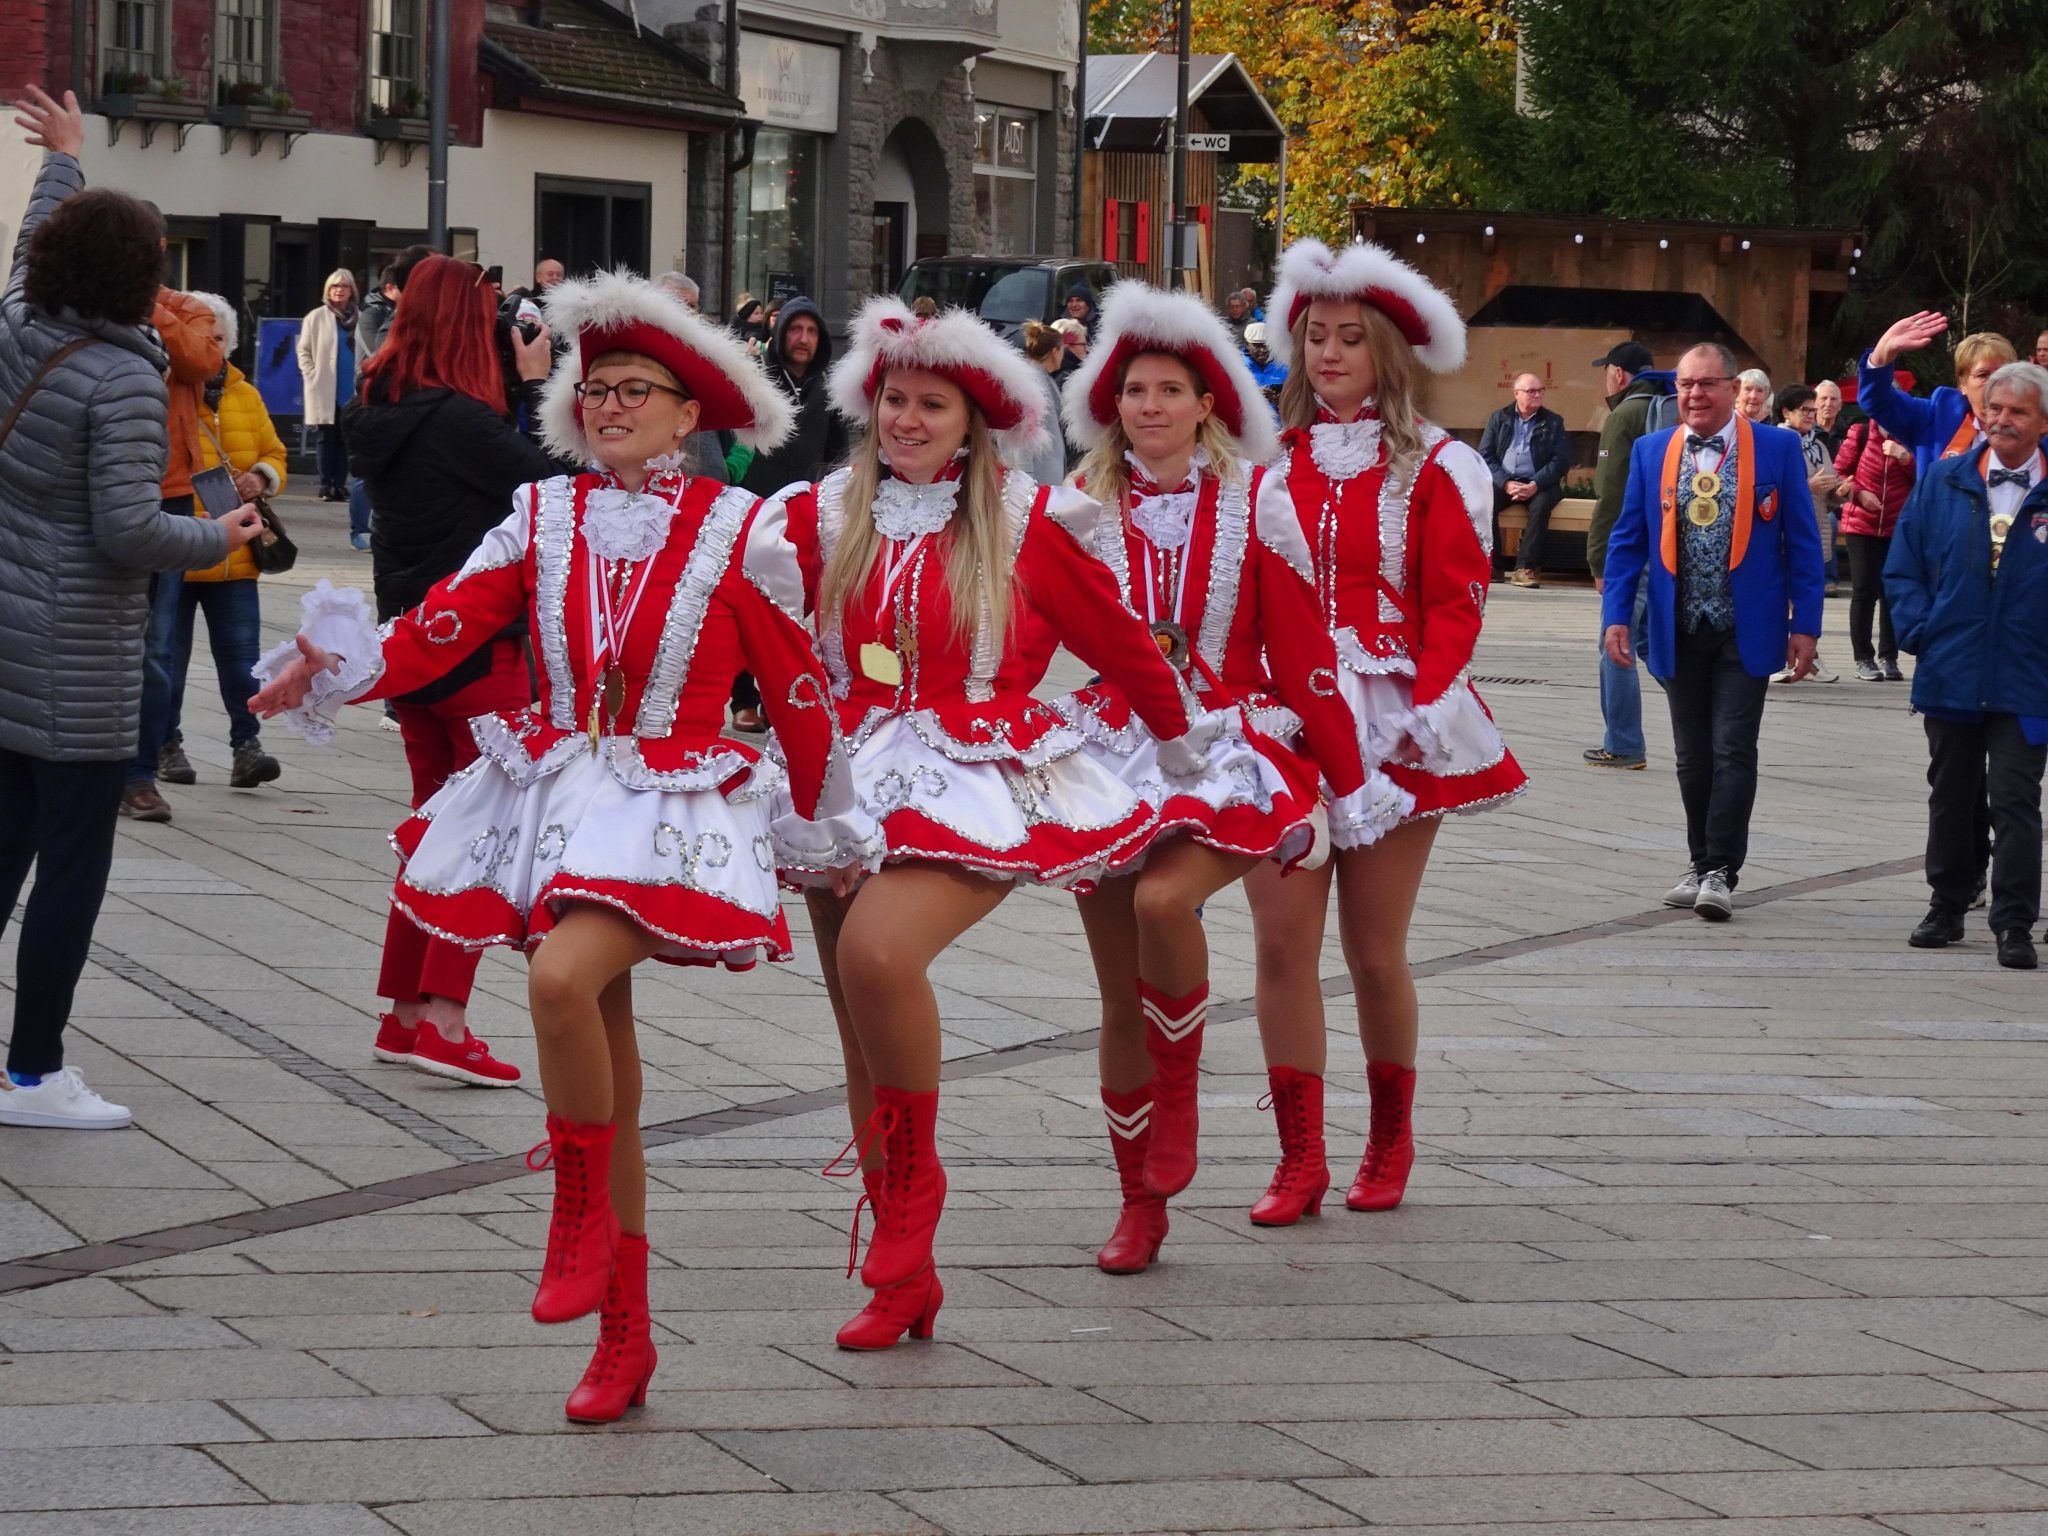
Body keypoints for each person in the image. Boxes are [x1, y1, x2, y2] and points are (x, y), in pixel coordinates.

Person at [252, 270, 873, 1421]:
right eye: (597, 388)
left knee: (558, 981)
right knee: (602, 1051)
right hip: (557, 794)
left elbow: (791, 684)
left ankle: (576, 1210)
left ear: (692, 416)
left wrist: (826, 824)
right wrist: (336, 665)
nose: (610, 404)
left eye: (638, 389)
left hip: (670, 798)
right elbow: (446, 622)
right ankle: (624, 1334)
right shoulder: (542, 515)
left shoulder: (739, 529)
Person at [771, 297, 1216, 1350]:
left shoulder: (1027, 519)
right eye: (893, 400)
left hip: (973, 775)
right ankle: (902, 1276)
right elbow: (753, 637)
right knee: (855, 1026)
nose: (907, 421)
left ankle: (917, 1199)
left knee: (882, 958)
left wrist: (1185, 754)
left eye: (932, 403)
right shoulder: (818, 512)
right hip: (846, 780)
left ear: (973, 421)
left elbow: (1121, 643)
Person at [1054, 282, 1381, 1264]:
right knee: (1117, 996)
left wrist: (1341, 778)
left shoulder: (1258, 504)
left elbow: (1301, 654)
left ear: (1207, 404)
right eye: (1132, 392)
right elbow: (1025, 638)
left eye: (1168, 390)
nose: (1147, 407)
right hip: (1111, 750)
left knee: (1165, 906)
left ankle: (1184, 1089)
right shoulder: (1075, 511)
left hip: (1230, 744)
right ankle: (1138, 1204)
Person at [1246, 239, 1527, 1219]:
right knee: (1280, 948)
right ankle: (1296, 1158)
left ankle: (1389, 1139)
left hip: (1393, 721)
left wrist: (1431, 708)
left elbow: (1455, 601)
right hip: (1282, 723)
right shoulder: (1258, 465)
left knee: (1372, 951)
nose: (1326, 354)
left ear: (1384, 352)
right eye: (1313, 337)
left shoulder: (1438, 466)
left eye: (1346, 339)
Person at [0, 87, 263, 1130]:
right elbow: (126, 530)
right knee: (70, 869)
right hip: (72, 657)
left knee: (2, 850)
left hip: (9, 634)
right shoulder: (116, 377)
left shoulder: (22, 317)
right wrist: (223, 535)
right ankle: (33, 1071)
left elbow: (30, 239)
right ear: (137, 281)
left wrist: (65, 156)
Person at [342, 255, 562, 1085]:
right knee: (481, 835)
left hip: (415, 651)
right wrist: (540, 389)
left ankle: (402, 1013)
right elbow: (556, 494)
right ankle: (444, 1018)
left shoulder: (387, 406)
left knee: (431, 829)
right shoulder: (465, 424)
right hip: (479, 653)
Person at [1601, 343, 1825, 919]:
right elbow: (1628, 539)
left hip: (1746, 626)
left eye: (1706, 384)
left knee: (1732, 748)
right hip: (1679, 626)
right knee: (1690, 755)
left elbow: (1801, 540)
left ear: (1733, 389)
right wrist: (1616, 615)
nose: (1694, 395)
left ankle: (1722, 869)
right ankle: (1699, 863)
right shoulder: (1653, 451)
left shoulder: (1776, 447)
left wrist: (1808, 625)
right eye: (1685, 386)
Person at [1886, 361, 2048, 969]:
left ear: (2043, 422)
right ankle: (1948, 904)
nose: (2002, 420)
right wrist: (1922, 630)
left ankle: (2013, 922)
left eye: (2018, 411)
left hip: (2028, 677)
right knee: (1951, 794)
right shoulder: (1944, 481)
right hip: (1951, 667)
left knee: (2014, 799)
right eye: (1996, 408)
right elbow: (1904, 564)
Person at [154, 291, 287, 794]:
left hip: (235, 556)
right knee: (165, 657)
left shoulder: (245, 394)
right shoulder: (167, 390)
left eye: (217, 339)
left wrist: (262, 475)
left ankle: (246, 746)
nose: (211, 346)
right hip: (180, 548)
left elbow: (274, 450)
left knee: (240, 657)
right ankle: (167, 744)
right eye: (202, 338)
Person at [120, 281, 231, 824]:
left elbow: (201, 362)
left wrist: (151, 304)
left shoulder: (186, 310)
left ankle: (139, 773)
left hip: (169, 491)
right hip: (102, 480)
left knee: (156, 647)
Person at [736, 296, 846, 730]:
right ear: (781, 334)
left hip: (809, 513)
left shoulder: (831, 389)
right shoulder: (757, 378)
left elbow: (838, 452)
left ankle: (779, 699)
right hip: (755, 506)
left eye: (812, 331)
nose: (803, 339)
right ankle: (742, 698)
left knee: (795, 610)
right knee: (748, 603)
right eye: (796, 330)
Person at [1585, 340, 1670, 771]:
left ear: (1618, 373)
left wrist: (1600, 561)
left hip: (1632, 551)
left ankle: (1623, 743)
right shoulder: (1671, 410)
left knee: (1614, 642)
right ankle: (1705, 716)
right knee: (1649, 642)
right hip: (1670, 547)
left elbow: (1611, 495)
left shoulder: (1624, 415)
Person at [1860, 314, 2016, 475]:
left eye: (2003, 373)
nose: (1994, 382)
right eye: (1983, 375)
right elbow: (1877, 400)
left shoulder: (2032, 423)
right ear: (1963, 384)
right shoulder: (1936, 416)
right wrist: (1883, 353)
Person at [1770, 384, 1841, 683]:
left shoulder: (1817, 444)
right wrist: (1808, 487)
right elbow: (1771, 489)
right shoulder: (1777, 441)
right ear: (1786, 411)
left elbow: (1830, 489)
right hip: (1785, 532)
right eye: (1806, 410)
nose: (1813, 415)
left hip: (1816, 527)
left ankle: (1807, 656)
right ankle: (1782, 657)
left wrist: (1842, 491)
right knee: (1784, 597)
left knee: (1804, 594)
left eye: (1814, 410)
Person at [1834, 414, 1913, 682]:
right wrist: (1858, 493)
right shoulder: (1861, 432)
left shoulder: (1908, 433)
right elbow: (1838, 473)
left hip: (1896, 525)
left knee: (1891, 591)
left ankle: (1889, 657)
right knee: (1864, 590)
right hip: (1861, 524)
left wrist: (1904, 457)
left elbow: (1924, 475)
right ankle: (1863, 658)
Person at [1477, 372, 1571, 589]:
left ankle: (1524, 568)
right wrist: (1506, 483)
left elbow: (1561, 460)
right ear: (1516, 394)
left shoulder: (1553, 421)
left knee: (1542, 505)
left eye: (1540, 391)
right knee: (1484, 500)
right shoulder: (1499, 418)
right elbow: (1486, 456)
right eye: (1531, 391)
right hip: (1505, 481)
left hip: (1538, 483)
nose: (1537, 395)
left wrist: (1535, 484)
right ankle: (1494, 565)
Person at [297, 268, 361, 505]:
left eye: (343, 286)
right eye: (334, 286)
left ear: (351, 290)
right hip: (324, 386)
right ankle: (325, 484)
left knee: (346, 439)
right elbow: (303, 350)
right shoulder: (316, 316)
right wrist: (310, 374)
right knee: (326, 437)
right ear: (327, 290)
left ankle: (340, 484)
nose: (339, 291)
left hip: (350, 386)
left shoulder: (359, 317)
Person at [1017, 319, 1069, 484]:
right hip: (1036, 476)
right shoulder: (1032, 380)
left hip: (1043, 472)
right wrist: (1026, 477)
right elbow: (1023, 430)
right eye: (1062, 350)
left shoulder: (1038, 377)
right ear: (1055, 351)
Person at [1242, 322, 1286, 395]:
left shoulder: (1284, 367)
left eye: (1266, 346)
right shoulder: (1238, 368)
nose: (1262, 350)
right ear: (1247, 344)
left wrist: (1280, 400)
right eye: (1257, 346)